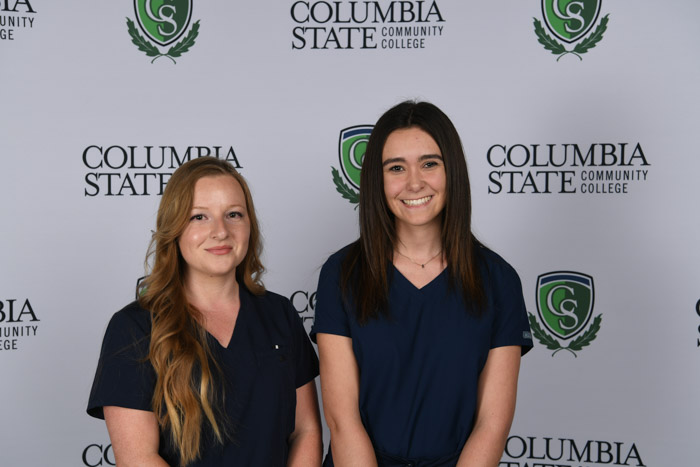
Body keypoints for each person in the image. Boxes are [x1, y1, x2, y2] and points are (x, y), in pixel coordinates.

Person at [311, 101, 533, 467]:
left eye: (430, 163)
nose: (414, 182)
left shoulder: (499, 280)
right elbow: (343, 421)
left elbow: (492, 424)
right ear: (376, 180)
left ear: (452, 172)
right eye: (396, 168)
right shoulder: (342, 274)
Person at [87, 156, 322, 466]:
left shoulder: (280, 314)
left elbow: (305, 431)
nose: (221, 231)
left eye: (234, 214)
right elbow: (138, 458)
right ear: (174, 228)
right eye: (200, 217)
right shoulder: (134, 327)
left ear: (249, 224)